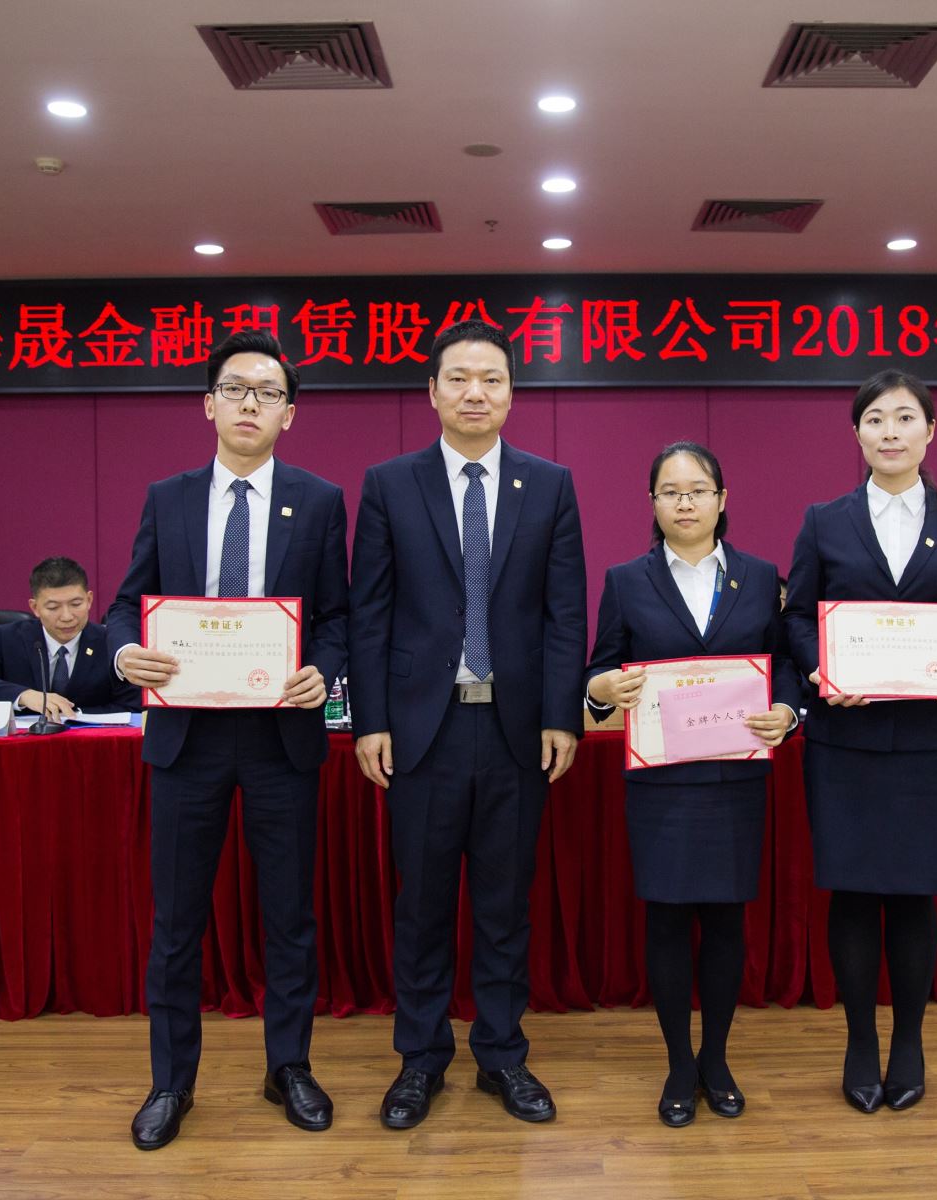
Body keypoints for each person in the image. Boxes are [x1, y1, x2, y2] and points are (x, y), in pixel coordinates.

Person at [105, 331, 348, 1150]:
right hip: (187, 738)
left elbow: (338, 615)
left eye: (268, 393)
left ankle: (290, 1068)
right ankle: (171, 1083)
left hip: (282, 737)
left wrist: (324, 669)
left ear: (289, 414)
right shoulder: (167, 498)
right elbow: (125, 603)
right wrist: (124, 653)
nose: (251, 403)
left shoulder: (320, 501)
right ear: (208, 404)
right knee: (177, 922)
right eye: (236, 389)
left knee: (290, 918)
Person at [349, 319, 586, 1129]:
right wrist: (370, 720)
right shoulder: (390, 483)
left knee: (504, 905)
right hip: (423, 731)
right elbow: (371, 611)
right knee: (420, 906)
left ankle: (502, 1055)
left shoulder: (549, 484)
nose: (474, 392)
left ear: (512, 393)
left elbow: (564, 613)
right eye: (459, 378)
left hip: (517, 731)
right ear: (433, 391)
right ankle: (419, 1060)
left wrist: (562, 715)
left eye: (491, 378)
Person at [783, 369, 937, 1115]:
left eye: (905, 418)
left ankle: (908, 1042)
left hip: (931, 743)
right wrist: (819, 668)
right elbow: (797, 615)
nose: (890, 432)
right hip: (845, 738)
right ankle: (857, 1043)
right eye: (875, 419)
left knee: (913, 894)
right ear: (857, 434)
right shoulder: (824, 520)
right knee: (851, 892)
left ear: (930, 431)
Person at [583, 441, 800, 1127]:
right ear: (652, 503)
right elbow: (596, 673)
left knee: (728, 921)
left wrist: (788, 710)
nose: (685, 502)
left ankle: (717, 1058)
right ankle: (679, 1063)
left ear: (722, 499)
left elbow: (787, 667)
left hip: (736, 777)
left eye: (698, 490)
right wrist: (603, 690)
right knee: (669, 922)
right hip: (663, 783)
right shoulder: (626, 580)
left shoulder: (761, 577)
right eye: (670, 492)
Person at [0, 556, 140, 716]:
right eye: (53, 607)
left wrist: (76, 714)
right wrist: (24, 695)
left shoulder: (111, 642)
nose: (67, 616)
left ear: (89, 600)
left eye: (76, 604)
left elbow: (134, 704)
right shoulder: (6, 639)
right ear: (35, 607)